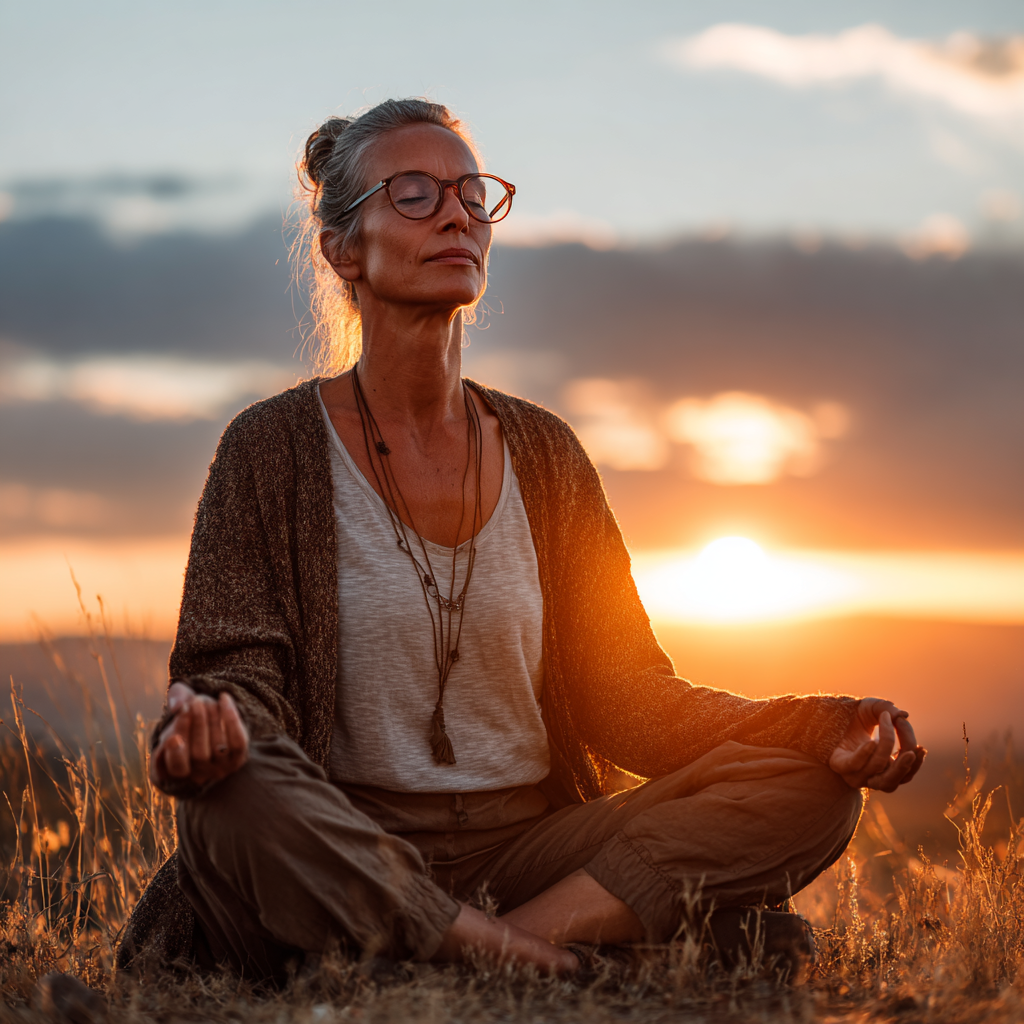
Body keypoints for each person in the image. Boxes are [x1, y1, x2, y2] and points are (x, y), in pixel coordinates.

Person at [118, 98, 924, 982]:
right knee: (233, 798)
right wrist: (214, 727)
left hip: (526, 848)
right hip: (348, 840)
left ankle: (470, 960)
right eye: (416, 194)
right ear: (342, 249)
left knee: (807, 791)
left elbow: (630, 699)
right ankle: (546, 961)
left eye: (472, 193)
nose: (458, 213)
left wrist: (815, 729)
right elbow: (237, 677)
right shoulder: (270, 450)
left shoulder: (545, 453)